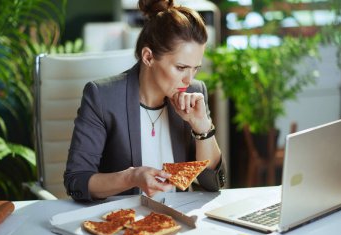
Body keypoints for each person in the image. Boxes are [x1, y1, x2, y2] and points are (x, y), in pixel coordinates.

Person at [64, 0, 226, 201]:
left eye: (196, 68)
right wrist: (131, 177)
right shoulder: (101, 97)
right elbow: (76, 181)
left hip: (177, 222)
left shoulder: (194, 93)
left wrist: (202, 128)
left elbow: (212, 184)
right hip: (123, 222)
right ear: (148, 57)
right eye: (181, 68)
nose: (189, 79)